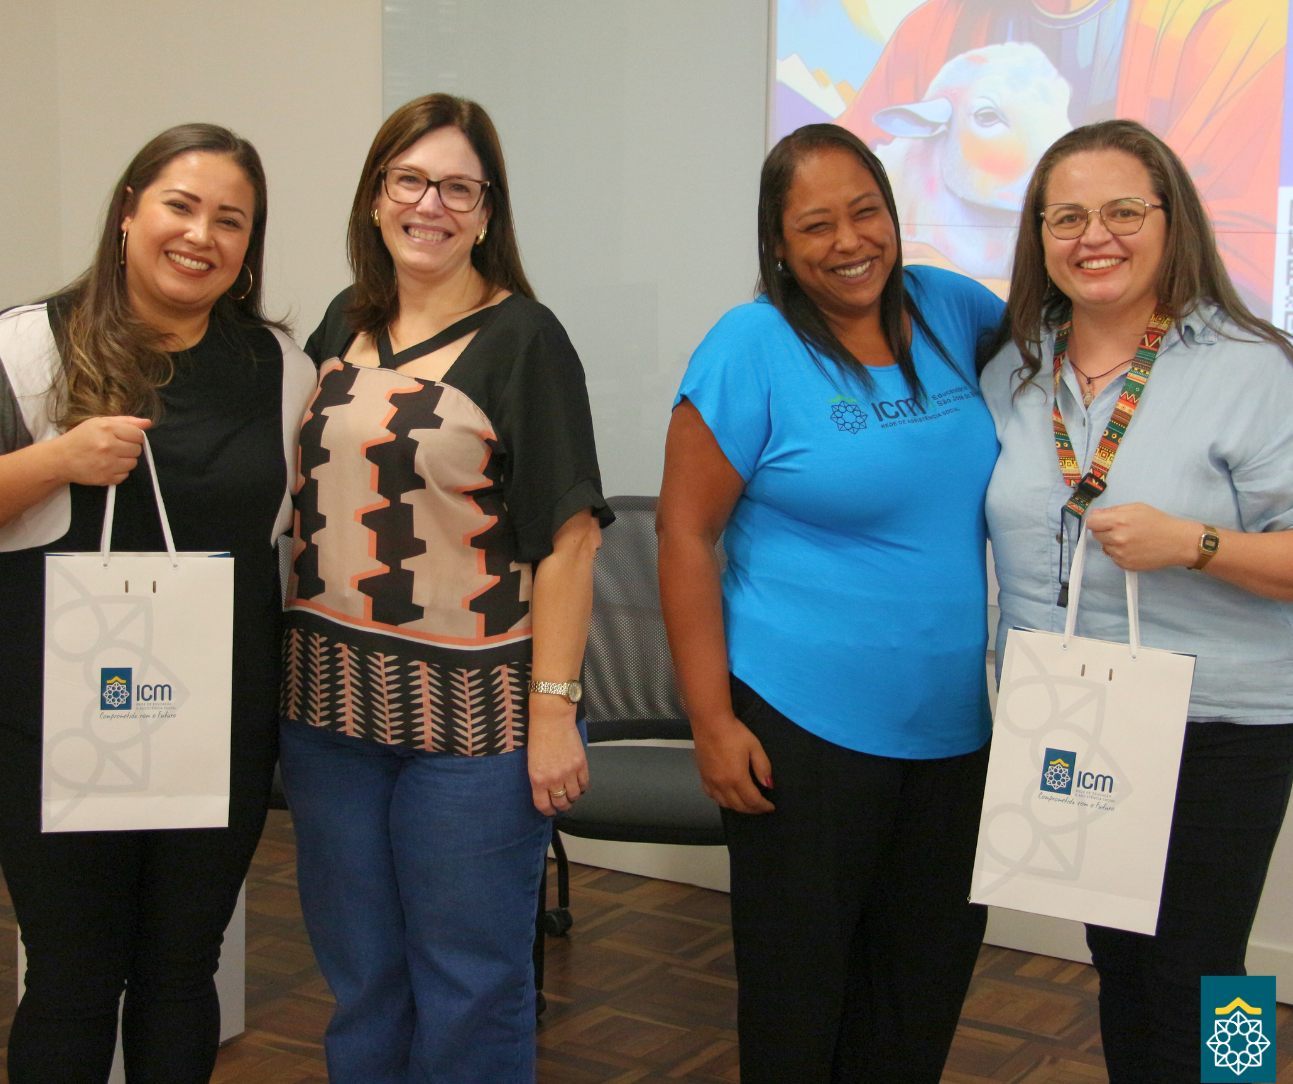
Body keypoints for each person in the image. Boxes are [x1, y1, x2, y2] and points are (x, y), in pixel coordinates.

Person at [656, 123, 1005, 1084]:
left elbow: (1075, 361)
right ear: (777, 243)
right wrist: (710, 723)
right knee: (797, 1000)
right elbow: (683, 535)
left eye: (866, 212)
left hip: (953, 726)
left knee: (920, 989)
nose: (849, 241)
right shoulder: (749, 346)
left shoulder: (952, 308)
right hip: (798, 726)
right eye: (815, 226)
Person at [278, 93, 611, 1084]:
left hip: (473, 730)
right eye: (411, 180)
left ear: (487, 210)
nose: (431, 204)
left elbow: (570, 542)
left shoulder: (524, 339)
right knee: (362, 981)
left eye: (458, 188)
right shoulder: (343, 319)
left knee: (470, 987)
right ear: (375, 195)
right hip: (328, 714)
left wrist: (553, 715)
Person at [0, 124, 315, 1083]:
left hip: (213, 722)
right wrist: (58, 459)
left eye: (231, 220)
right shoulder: (28, 343)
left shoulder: (279, 366)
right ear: (129, 211)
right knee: (71, 976)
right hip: (55, 723)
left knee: (183, 969)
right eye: (181, 206)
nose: (200, 236)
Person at [981, 118, 1293, 1082]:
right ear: (1039, 235)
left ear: (1171, 221)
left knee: (1207, 972)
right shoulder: (1011, 373)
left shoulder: (1251, 367)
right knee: (1119, 962)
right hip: (1071, 716)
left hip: (1221, 722)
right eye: (1066, 217)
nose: (1095, 237)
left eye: (1122, 211)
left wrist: (1195, 545)